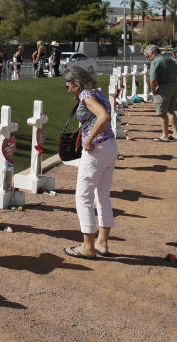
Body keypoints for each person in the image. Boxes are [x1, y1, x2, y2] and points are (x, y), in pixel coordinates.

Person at [61, 66, 118, 259]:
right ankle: (102, 242)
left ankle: (88, 246)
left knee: (83, 197)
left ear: (76, 84)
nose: (67, 90)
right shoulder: (98, 93)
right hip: (110, 146)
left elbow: (103, 116)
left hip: (97, 148)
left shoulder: (86, 95)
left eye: (67, 86)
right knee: (103, 197)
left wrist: (89, 138)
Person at [145, 45, 177, 141]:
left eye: (148, 56)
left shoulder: (156, 61)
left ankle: (165, 135)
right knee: (171, 111)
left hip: (163, 88)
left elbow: (153, 80)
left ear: (153, 53)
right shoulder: (170, 60)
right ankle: (176, 134)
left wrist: (153, 91)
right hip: (174, 86)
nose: (149, 58)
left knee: (162, 113)